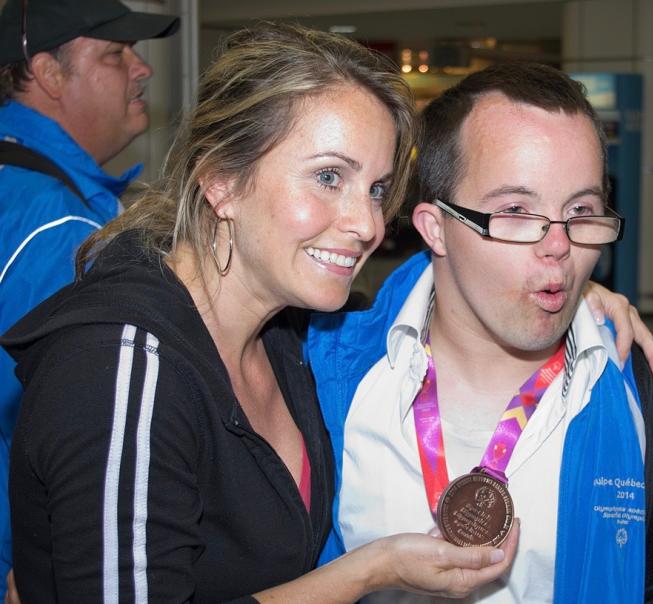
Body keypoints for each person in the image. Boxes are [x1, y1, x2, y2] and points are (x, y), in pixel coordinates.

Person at [0, 22, 530, 602]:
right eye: (329, 177)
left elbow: (425, 309)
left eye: (377, 189)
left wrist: (575, 302)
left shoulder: (288, 330)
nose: (368, 225)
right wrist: (369, 571)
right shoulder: (124, 366)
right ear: (222, 180)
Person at [308, 62, 653, 603]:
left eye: (580, 210)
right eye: (516, 211)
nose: (559, 246)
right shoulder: (318, 382)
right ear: (436, 228)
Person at [0, 0, 179, 592]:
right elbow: (69, 428)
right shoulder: (58, 227)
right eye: (113, 54)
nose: (142, 69)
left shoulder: (20, 190)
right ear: (49, 73)